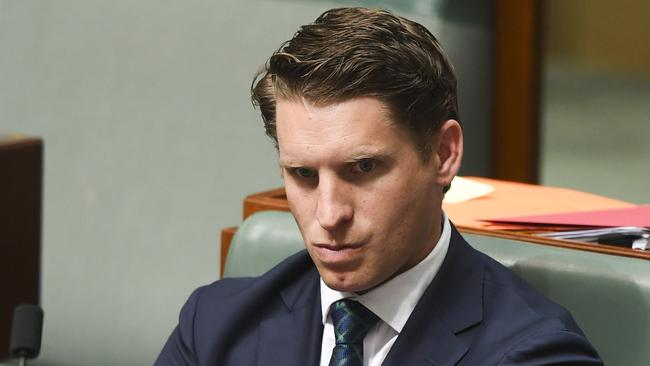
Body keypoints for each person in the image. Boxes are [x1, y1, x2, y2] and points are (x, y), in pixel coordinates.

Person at [156, 7, 602, 366]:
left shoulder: (535, 353)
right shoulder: (214, 327)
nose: (328, 216)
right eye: (303, 175)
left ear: (443, 154)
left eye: (363, 167)